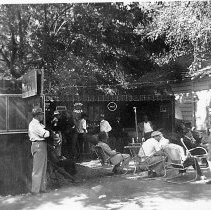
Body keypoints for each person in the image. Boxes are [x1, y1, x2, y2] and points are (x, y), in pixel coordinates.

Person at [28, 107, 50, 195]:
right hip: (38, 145)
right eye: (41, 114)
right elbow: (45, 134)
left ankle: (42, 188)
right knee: (37, 169)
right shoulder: (34, 124)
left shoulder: (38, 123)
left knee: (43, 168)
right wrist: (49, 132)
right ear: (37, 115)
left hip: (41, 145)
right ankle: (35, 190)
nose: (42, 115)